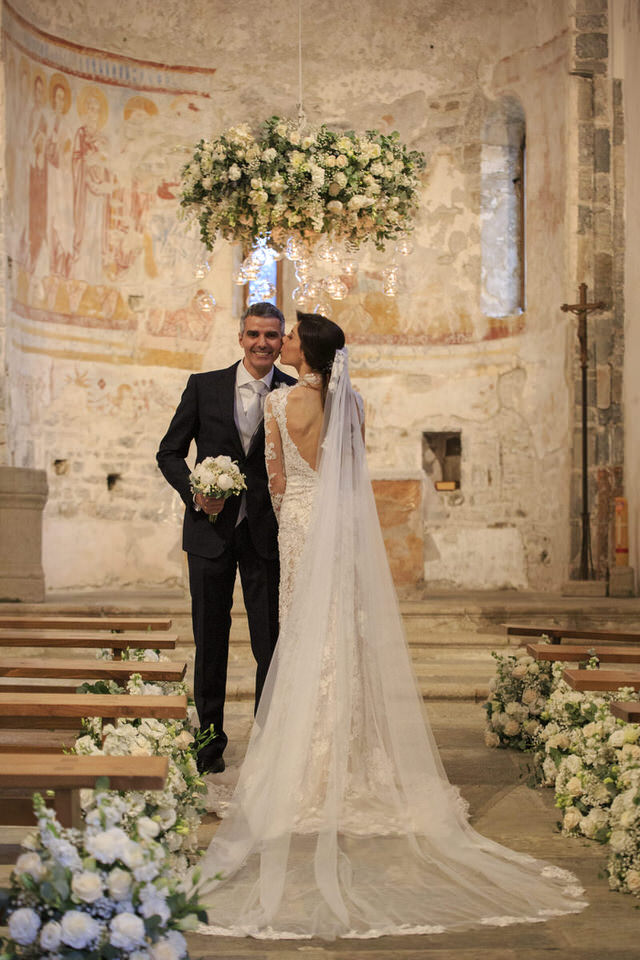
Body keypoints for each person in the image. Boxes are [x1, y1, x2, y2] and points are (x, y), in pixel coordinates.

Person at [194, 313, 587, 938]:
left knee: (299, 638)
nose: (282, 340)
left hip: (297, 528)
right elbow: (352, 470)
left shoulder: (275, 406)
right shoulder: (353, 403)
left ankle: (303, 762)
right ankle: (353, 756)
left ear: (306, 350)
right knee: (342, 635)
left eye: (291, 333)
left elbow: (272, 481)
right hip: (339, 523)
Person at [156, 302, 296, 774]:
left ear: (281, 342)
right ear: (240, 338)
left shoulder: (295, 392)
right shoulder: (204, 386)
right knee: (210, 643)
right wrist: (196, 492)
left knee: (269, 645)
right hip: (209, 535)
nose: (262, 343)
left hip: (267, 538)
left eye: (271, 336)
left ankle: (267, 748)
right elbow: (170, 452)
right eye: (254, 334)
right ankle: (209, 745)